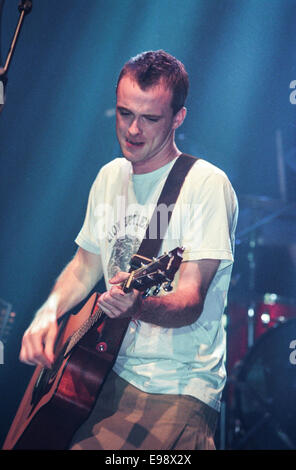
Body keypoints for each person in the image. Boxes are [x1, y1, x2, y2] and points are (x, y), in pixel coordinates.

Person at [19, 50, 238, 450]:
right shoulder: (109, 176)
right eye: (124, 114)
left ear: (178, 118)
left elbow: (190, 299)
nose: (133, 130)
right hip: (97, 372)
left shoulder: (205, 184)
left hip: (173, 389)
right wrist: (47, 313)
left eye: (150, 118)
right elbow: (85, 265)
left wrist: (138, 306)